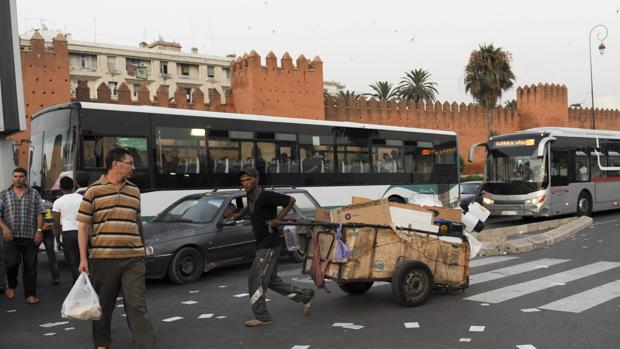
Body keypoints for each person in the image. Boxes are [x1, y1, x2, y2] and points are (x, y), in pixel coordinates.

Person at [77, 148, 154, 349]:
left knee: (137, 304)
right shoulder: (93, 190)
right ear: (115, 164)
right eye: (130, 163)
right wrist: (83, 259)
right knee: (103, 305)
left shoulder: (135, 191)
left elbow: (137, 224)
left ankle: (144, 343)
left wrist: (143, 250)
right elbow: (83, 226)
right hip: (103, 258)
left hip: (133, 259)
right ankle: (102, 342)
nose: (134, 167)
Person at [233, 167, 314, 327]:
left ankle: (262, 316)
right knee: (272, 281)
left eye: (248, 179)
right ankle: (305, 296)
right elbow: (250, 207)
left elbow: (290, 201)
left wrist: (278, 219)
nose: (245, 183)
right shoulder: (250, 195)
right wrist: (238, 215)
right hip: (263, 244)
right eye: (243, 181)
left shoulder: (267, 195)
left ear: (257, 179)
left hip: (268, 244)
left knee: (255, 280)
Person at [0, 167, 44, 303]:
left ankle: (30, 294)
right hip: (11, 237)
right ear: (12, 177)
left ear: (26, 178)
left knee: (30, 266)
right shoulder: (4, 194)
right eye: (15, 176)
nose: (18, 179)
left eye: (21, 176)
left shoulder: (34, 194)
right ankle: (12, 285)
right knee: (11, 263)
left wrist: (39, 231)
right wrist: (4, 228)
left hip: (30, 235)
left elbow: (40, 213)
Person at [52, 176, 83, 283]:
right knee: (83, 259)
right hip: (82, 232)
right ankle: (82, 283)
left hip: (68, 233)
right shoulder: (81, 198)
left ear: (60, 187)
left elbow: (56, 224)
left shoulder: (58, 202)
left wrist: (57, 240)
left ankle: (79, 283)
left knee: (72, 261)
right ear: (73, 186)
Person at [37, 187, 60, 285]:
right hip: (48, 231)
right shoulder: (49, 203)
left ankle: (31, 277)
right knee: (51, 255)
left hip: (37, 231)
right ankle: (55, 277)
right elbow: (53, 219)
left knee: (31, 255)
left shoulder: (34, 203)